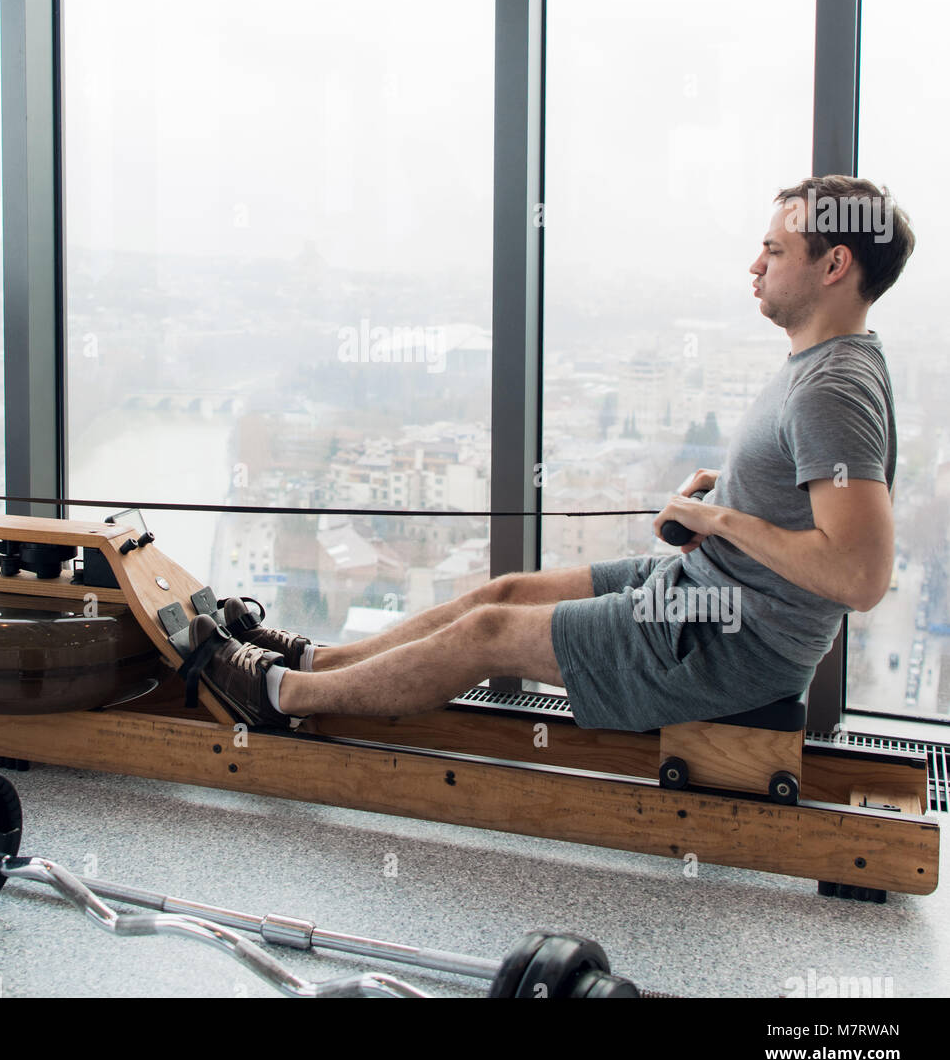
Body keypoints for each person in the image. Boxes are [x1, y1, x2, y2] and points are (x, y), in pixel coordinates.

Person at [191, 176, 914, 732]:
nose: (754, 264)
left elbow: (857, 575)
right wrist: (721, 496)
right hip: (701, 594)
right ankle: (318, 659)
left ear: (834, 264)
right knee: (498, 593)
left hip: (727, 643)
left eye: (775, 250)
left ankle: (278, 696)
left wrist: (723, 521)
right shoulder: (822, 365)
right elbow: (807, 496)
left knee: (486, 633)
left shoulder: (831, 388)